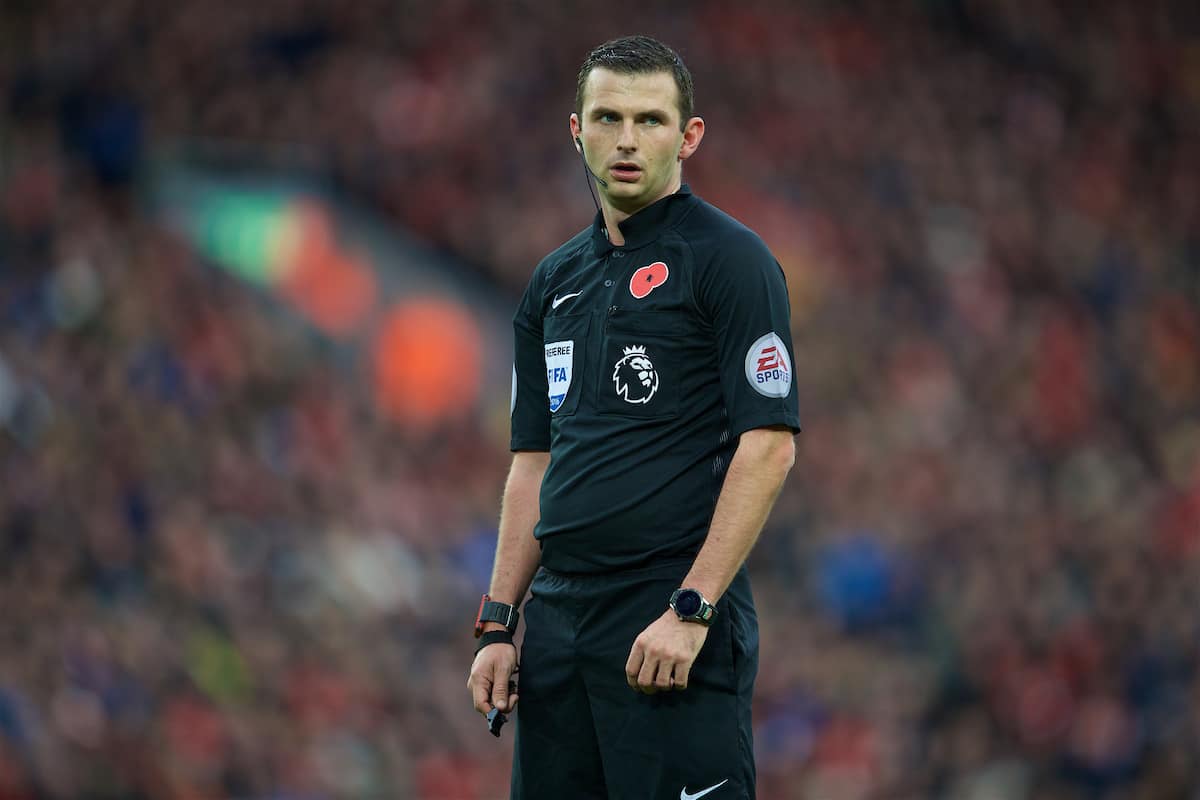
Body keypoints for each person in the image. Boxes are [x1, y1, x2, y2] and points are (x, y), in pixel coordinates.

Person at [467, 35, 799, 800]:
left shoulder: (731, 262)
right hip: (556, 627)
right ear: (575, 131)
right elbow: (532, 464)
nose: (625, 139)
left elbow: (769, 448)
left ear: (689, 137)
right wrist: (497, 625)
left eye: (649, 120)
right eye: (607, 117)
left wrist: (692, 607)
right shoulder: (553, 284)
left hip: (667, 615)